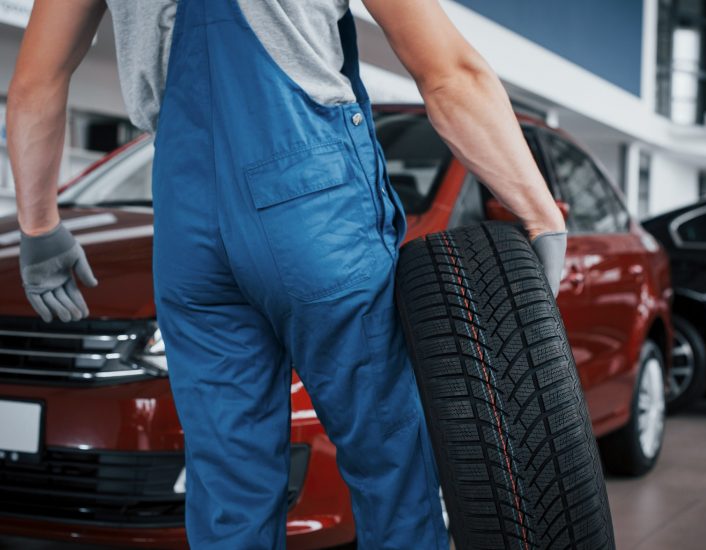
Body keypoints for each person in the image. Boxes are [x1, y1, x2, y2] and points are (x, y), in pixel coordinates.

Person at [8, 0, 567, 548]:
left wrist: (38, 226)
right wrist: (540, 214)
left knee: (229, 483)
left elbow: (36, 82)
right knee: (387, 457)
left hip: (185, 220)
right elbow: (448, 73)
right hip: (313, 202)